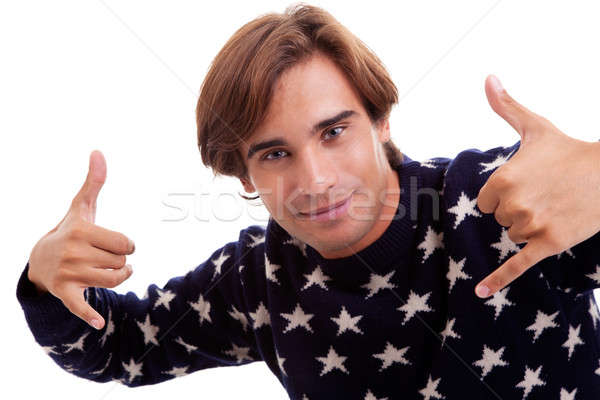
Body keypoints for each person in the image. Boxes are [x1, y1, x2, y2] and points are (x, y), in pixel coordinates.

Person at [16, 3, 600, 399]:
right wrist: (46, 279)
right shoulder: (255, 278)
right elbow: (118, 345)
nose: (315, 180)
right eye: (273, 154)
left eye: (333, 132)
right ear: (243, 175)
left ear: (382, 121)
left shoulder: (501, 198)